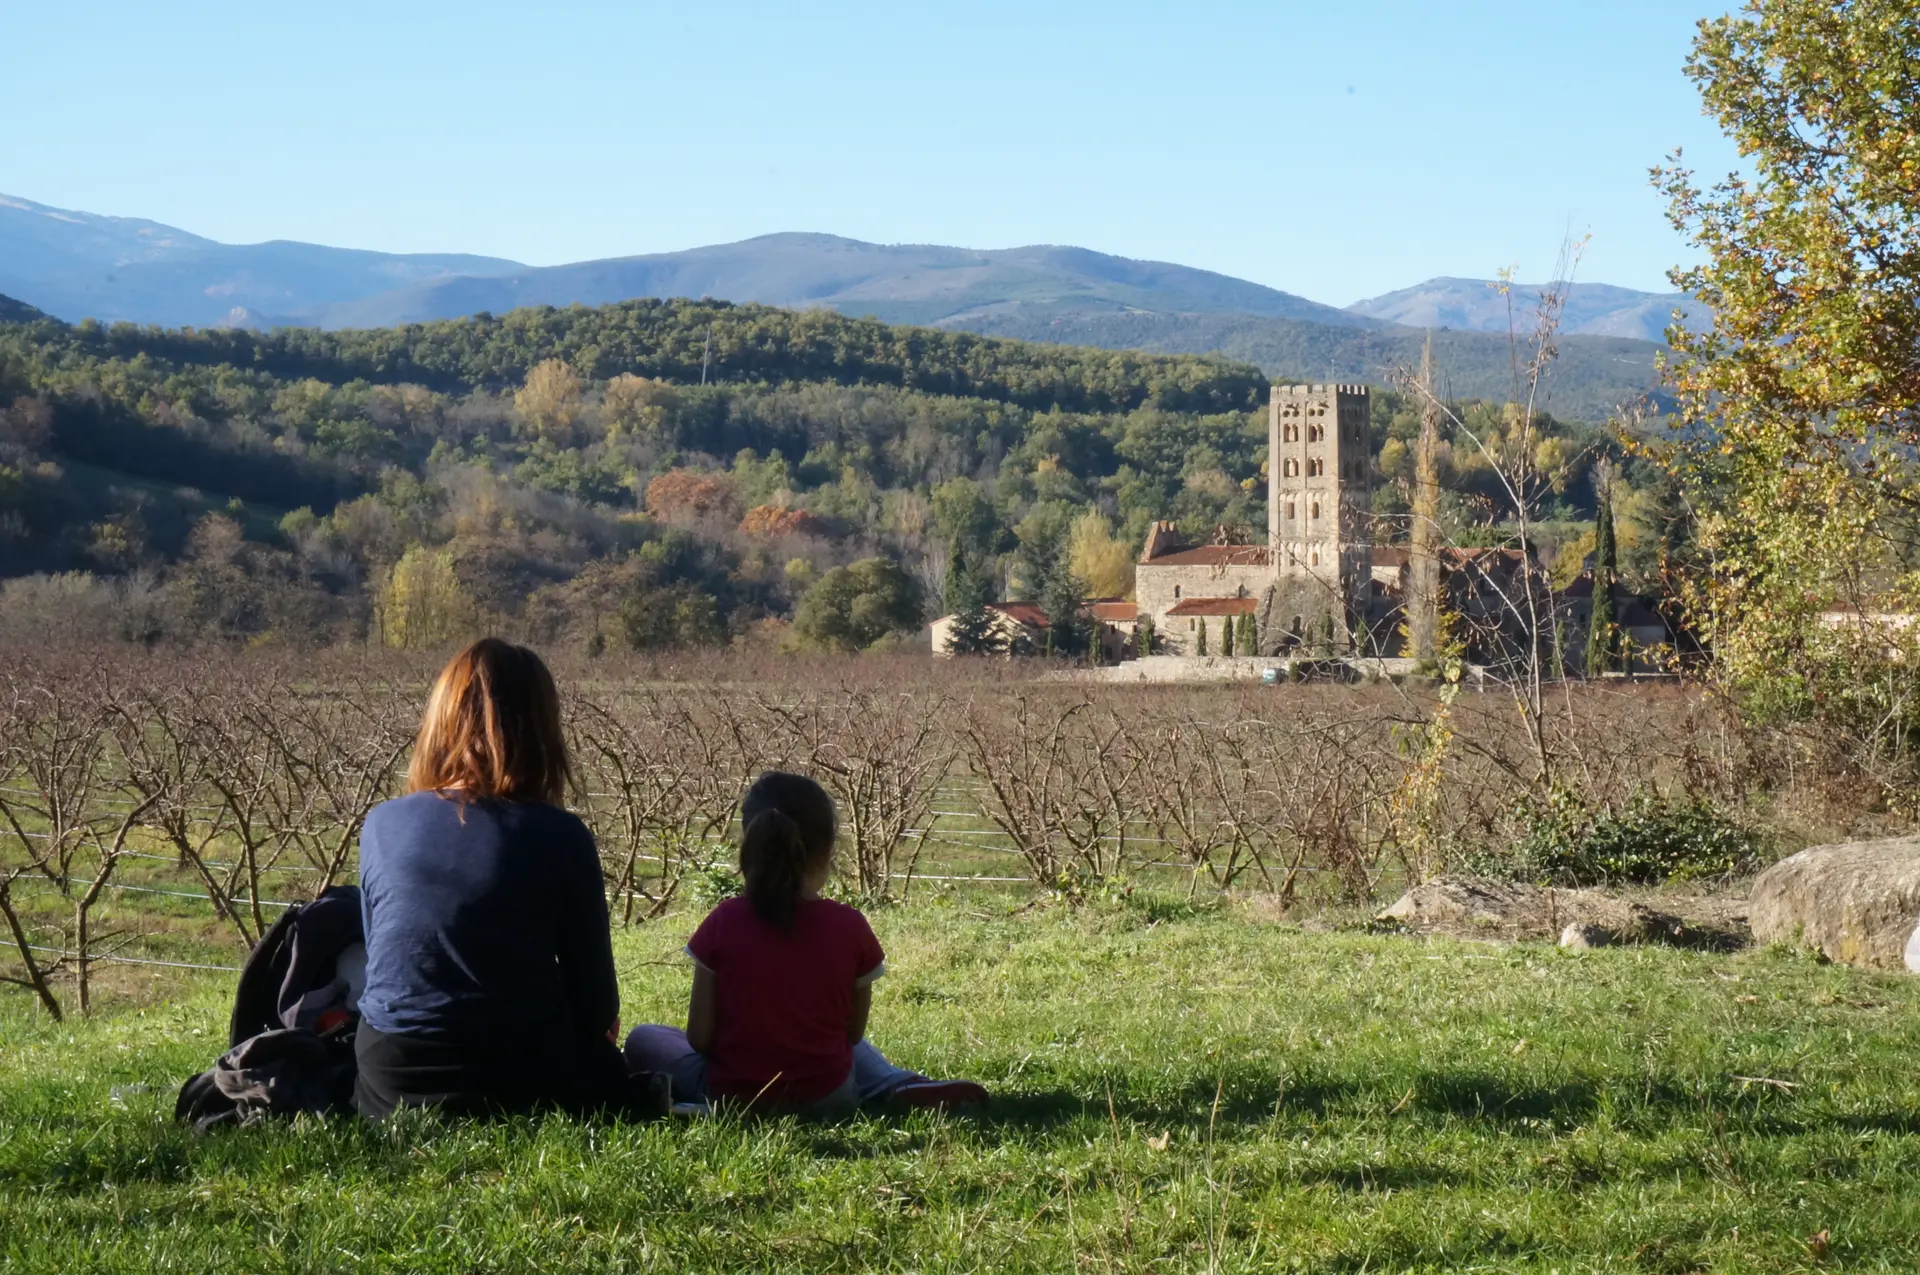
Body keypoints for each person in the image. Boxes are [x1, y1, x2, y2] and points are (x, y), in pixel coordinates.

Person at [354, 638, 657, 1120]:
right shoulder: (561, 834)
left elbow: (385, 964)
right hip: (520, 1077)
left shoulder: (381, 824)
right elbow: (598, 1007)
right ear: (541, 732)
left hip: (390, 1081)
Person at [624, 771, 987, 1114]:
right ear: (828, 850)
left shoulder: (723, 921)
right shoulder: (851, 926)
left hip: (737, 1095)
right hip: (831, 1096)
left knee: (644, 1038)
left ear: (750, 845)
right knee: (846, 1047)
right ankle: (897, 1085)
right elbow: (852, 1032)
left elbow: (701, 1039)